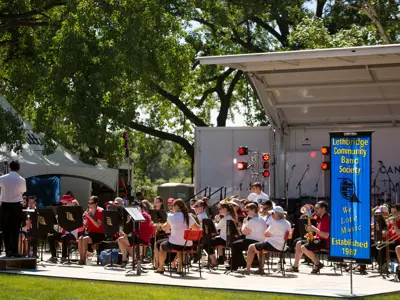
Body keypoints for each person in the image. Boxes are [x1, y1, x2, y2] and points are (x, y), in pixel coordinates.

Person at [240, 206, 291, 275]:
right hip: (282, 246)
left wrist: (271, 229)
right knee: (260, 247)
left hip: (273, 244)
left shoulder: (275, 223)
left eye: (272, 214)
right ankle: (261, 268)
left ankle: (247, 269)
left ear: (276, 214)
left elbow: (266, 234)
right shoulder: (287, 223)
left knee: (251, 247)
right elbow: (290, 236)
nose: (271, 215)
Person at [155, 199, 199, 274]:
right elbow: (197, 228)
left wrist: (160, 226)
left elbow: (165, 228)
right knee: (180, 245)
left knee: (161, 245)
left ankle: (161, 267)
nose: (172, 208)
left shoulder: (171, 216)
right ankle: (179, 268)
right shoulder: (188, 217)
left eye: (173, 206)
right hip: (188, 245)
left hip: (175, 244)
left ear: (177, 206)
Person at [287, 201, 330, 274]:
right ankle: (295, 266)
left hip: (325, 242)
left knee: (304, 247)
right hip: (318, 239)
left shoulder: (327, 218)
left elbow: (326, 235)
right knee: (298, 243)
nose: (315, 210)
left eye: (317, 208)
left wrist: (314, 229)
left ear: (323, 209)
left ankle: (317, 263)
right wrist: (305, 215)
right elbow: (309, 218)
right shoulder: (319, 217)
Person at [0, 161, 26, 257]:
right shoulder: (21, 179)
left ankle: (7, 250)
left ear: (10, 168)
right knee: (15, 229)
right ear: (18, 169)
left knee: (5, 229)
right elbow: (22, 192)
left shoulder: (2, 178)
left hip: (5, 205)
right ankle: (14, 250)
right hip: (16, 205)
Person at [231, 203, 268, 271]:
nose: (246, 213)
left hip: (254, 241)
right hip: (261, 241)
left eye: (247, 211)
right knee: (237, 242)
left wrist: (244, 223)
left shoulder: (252, 221)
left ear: (253, 210)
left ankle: (241, 264)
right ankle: (237, 264)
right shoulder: (261, 219)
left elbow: (244, 232)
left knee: (234, 245)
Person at [118, 201, 153, 267]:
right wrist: (128, 222)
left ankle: (130, 259)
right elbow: (132, 228)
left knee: (122, 240)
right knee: (121, 240)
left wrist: (130, 221)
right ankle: (128, 259)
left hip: (143, 237)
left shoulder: (144, 215)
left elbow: (138, 227)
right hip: (137, 235)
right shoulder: (137, 215)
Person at [203, 201, 237, 267]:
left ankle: (214, 261)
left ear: (225, 209)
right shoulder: (230, 217)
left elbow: (215, 229)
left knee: (205, 242)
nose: (219, 211)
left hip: (225, 240)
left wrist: (216, 221)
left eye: (220, 209)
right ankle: (216, 260)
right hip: (229, 239)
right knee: (212, 240)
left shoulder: (225, 218)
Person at [47, 195, 79, 263]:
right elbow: (57, 228)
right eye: (63, 203)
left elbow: (76, 226)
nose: (63, 205)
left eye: (65, 203)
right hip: (63, 233)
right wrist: (55, 223)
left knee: (64, 237)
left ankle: (64, 257)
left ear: (70, 202)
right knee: (50, 236)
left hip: (72, 234)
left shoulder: (75, 212)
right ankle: (54, 257)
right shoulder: (61, 213)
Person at [78, 196, 105, 265]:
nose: (89, 204)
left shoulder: (100, 211)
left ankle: (83, 259)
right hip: (91, 233)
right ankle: (81, 258)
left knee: (84, 239)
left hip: (99, 234)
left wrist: (90, 217)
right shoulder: (89, 212)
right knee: (80, 238)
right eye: (88, 203)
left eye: (91, 203)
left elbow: (97, 225)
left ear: (96, 203)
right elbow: (86, 225)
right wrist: (83, 220)